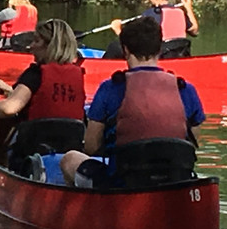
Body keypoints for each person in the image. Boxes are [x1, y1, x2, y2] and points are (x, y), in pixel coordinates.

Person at [60, 16, 205, 189]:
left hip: (122, 182)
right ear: (160, 49)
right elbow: (193, 142)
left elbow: (91, 146)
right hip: (174, 181)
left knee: (69, 159)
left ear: (125, 50)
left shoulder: (110, 88)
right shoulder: (185, 89)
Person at [0, 19, 85, 178]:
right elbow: (47, 96)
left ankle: (3, 174)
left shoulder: (35, 74)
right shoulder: (78, 74)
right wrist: (10, 90)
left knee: (2, 123)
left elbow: (9, 108)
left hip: (32, 152)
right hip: (68, 149)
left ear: (50, 45)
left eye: (36, 40)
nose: (30, 46)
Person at [103, 0, 199, 59]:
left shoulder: (151, 14)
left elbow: (135, 42)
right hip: (180, 55)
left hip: (160, 57)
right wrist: (188, 8)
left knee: (114, 46)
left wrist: (118, 30)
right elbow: (194, 31)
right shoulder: (180, 12)